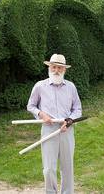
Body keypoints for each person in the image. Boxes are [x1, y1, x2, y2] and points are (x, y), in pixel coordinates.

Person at [27, 53, 82, 194]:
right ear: (49, 68)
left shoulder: (71, 87)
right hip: (48, 130)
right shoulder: (40, 86)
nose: (56, 70)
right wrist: (41, 114)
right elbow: (31, 106)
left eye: (60, 68)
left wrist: (70, 120)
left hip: (66, 131)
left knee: (67, 167)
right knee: (49, 169)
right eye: (54, 67)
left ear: (64, 70)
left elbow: (77, 109)